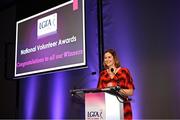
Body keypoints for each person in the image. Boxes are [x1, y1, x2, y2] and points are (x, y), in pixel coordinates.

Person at [97, 48, 135, 120]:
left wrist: (116, 90)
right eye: (105, 58)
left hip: (123, 108)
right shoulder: (102, 74)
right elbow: (99, 93)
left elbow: (131, 92)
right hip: (107, 110)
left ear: (114, 58)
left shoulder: (124, 71)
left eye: (109, 57)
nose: (107, 59)